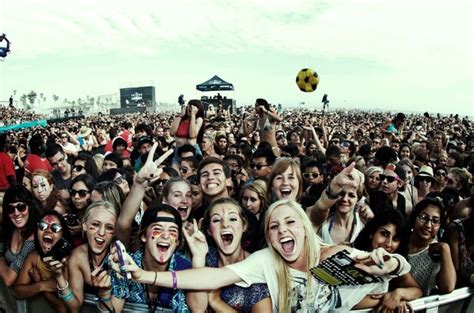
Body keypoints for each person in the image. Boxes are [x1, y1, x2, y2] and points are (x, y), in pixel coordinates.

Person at [110, 199, 412, 312]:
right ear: (268, 237)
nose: (282, 231)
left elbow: (401, 271)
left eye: (290, 222)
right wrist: (146, 275)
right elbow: (213, 276)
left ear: (305, 228)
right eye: (274, 226)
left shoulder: (336, 253)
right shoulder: (266, 261)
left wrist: (390, 261)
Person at [110, 203, 205, 312]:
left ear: (177, 241)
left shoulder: (185, 268)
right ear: (144, 236)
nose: (165, 236)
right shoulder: (127, 266)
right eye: (158, 229)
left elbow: (199, 309)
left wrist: (199, 257)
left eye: (172, 231)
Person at [200, 198, 272, 312]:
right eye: (217, 220)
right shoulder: (205, 257)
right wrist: (197, 257)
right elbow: (196, 308)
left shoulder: (258, 268)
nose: (225, 224)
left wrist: (216, 302)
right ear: (209, 230)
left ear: (244, 226)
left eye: (232, 218)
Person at [51, 201, 118, 312]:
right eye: (95, 224)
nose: (101, 233)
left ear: (115, 232)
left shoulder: (119, 259)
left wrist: (105, 294)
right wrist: (59, 277)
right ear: (85, 225)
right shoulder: (78, 256)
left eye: (109, 227)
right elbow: (75, 308)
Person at [353, 210, 422, 312]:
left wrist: (398, 294)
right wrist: (387, 300)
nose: (388, 244)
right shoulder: (353, 255)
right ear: (372, 233)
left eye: (396, 238)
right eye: (384, 234)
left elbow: (417, 291)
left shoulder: (393, 262)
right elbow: (345, 301)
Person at [12, 210, 72, 313]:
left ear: (63, 234)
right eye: (42, 226)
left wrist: (39, 283)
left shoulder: (68, 261)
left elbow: (63, 308)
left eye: (55, 228)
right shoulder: (34, 256)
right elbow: (17, 291)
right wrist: (41, 285)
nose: (48, 230)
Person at [308, 163, 373, 245]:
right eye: (341, 194)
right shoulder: (322, 226)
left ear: (358, 199)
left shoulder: (364, 225)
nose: (345, 199)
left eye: (351, 195)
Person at [407, 197, 456, 295]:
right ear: (414, 217)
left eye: (435, 221)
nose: (428, 225)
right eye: (424, 218)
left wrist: (445, 248)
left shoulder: (437, 252)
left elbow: (448, 287)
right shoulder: (399, 240)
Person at [0, 185, 37, 286]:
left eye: (21, 207)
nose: (16, 213)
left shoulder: (33, 238)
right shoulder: (10, 229)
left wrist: (1, 260)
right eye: (11, 209)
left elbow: (8, 279)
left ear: (29, 206)